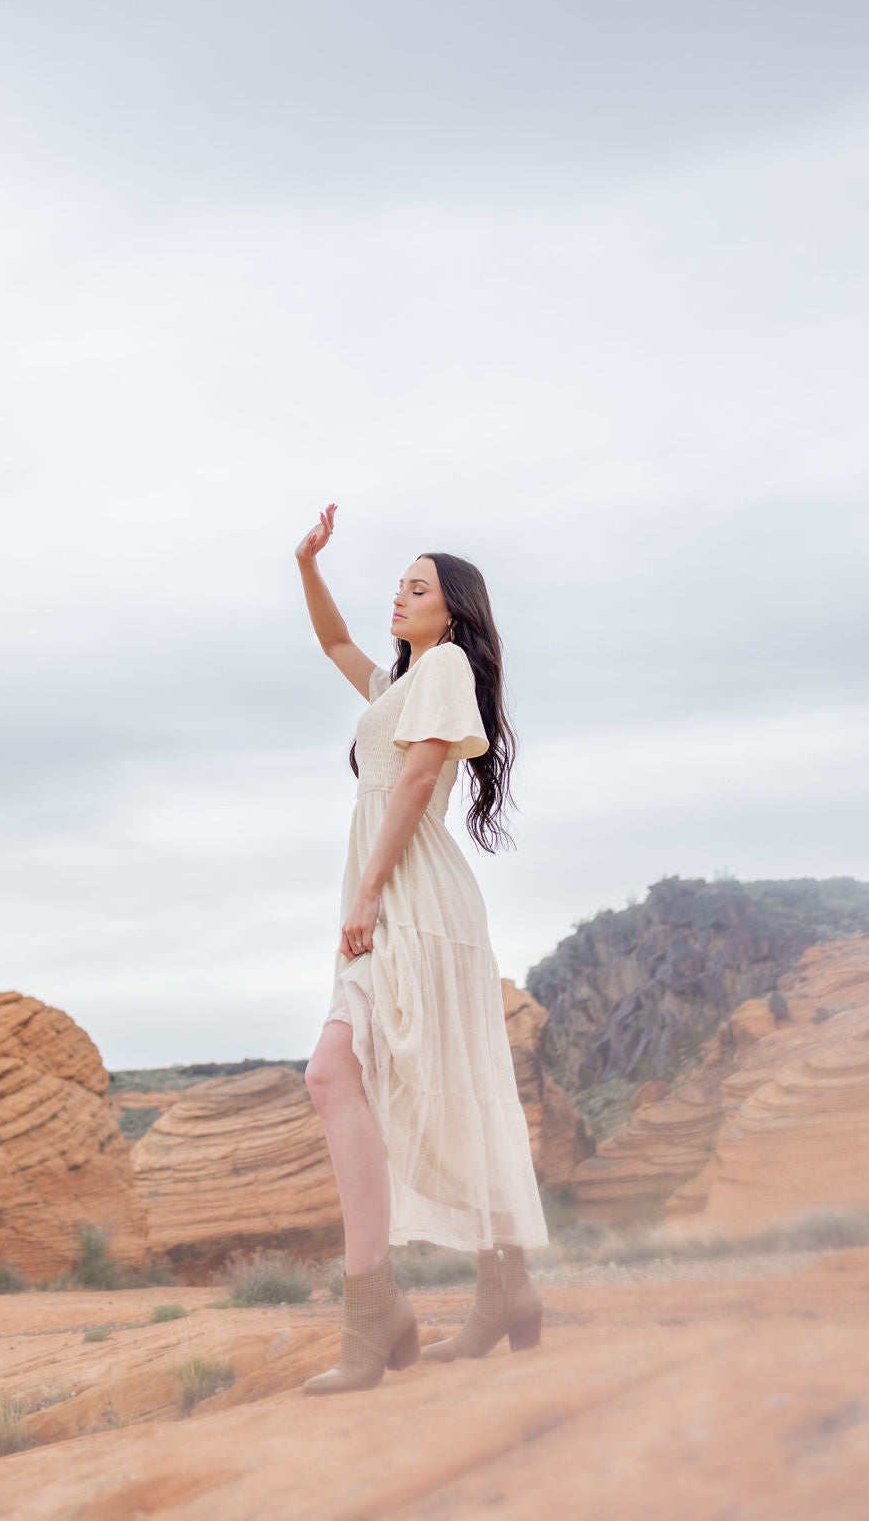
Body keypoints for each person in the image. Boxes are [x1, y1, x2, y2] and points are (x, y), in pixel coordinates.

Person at [296, 505, 549, 1396]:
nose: (398, 598)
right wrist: (307, 565)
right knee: (406, 1088)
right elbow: (334, 645)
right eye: (397, 585)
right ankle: (504, 1291)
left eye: (417, 587)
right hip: (388, 891)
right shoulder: (397, 687)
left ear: (454, 612)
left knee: (336, 1076)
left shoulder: (444, 669)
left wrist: (367, 892)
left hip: (413, 895)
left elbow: (414, 779)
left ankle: (375, 1317)